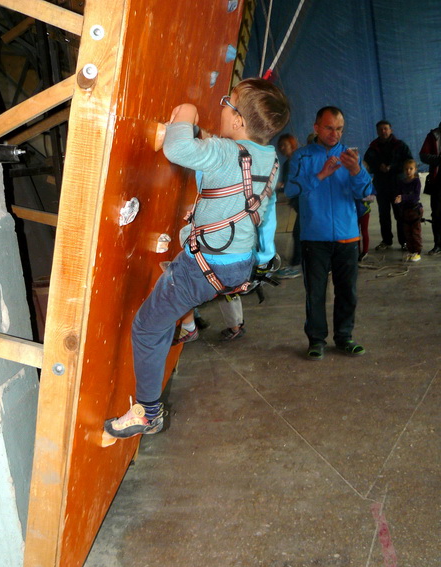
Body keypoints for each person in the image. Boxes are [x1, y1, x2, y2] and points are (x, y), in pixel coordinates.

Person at [104, 78, 290, 437]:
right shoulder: (269, 158)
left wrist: (185, 114)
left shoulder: (222, 152)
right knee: (176, 273)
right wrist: (265, 258)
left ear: (237, 121)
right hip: (237, 264)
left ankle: (148, 413)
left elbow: (178, 150)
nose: (220, 106)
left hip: (204, 267)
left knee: (147, 326)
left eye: (227, 102)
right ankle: (186, 322)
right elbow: (263, 213)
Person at [285, 105, 373, 360]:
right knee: (315, 292)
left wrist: (356, 171)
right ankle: (316, 340)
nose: (335, 133)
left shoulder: (350, 158)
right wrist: (321, 174)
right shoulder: (302, 157)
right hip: (314, 236)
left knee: (348, 291)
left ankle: (344, 337)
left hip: (347, 235)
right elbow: (291, 190)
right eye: (329, 127)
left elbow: (367, 192)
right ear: (316, 128)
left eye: (339, 129)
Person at [364, 120, 412, 250]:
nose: (383, 131)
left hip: (398, 185)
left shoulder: (400, 145)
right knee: (383, 215)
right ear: (377, 132)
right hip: (381, 186)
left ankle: (404, 242)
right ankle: (386, 241)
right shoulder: (373, 147)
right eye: (380, 129)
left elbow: (409, 161)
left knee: (400, 214)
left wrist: (393, 167)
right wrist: (378, 167)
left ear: (391, 130)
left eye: (385, 129)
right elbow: (366, 164)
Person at [275, 133, 301, 279]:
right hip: (297, 203)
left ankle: (296, 265)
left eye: (285, 145)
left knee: (298, 233)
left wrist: (282, 186)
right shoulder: (286, 164)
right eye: (281, 146)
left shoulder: (299, 161)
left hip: (304, 203)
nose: (283, 148)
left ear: (292, 144)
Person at [394, 159, 423, 262]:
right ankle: (411, 251)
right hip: (405, 211)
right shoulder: (402, 182)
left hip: (414, 211)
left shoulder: (416, 181)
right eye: (406, 169)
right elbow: (399, 194)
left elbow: (415, 196)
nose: (408, 171)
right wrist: (398, 200)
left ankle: (417, 252)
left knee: (415, 232)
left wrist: (403, 197)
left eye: (411, 169)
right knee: (407, 233)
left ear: (415, 169)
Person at [419, 122, 441, 255]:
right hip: (438, 181)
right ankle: (438, 244)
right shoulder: (433, 135)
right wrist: (439, 159)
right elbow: (423, 155)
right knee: (438, 214)